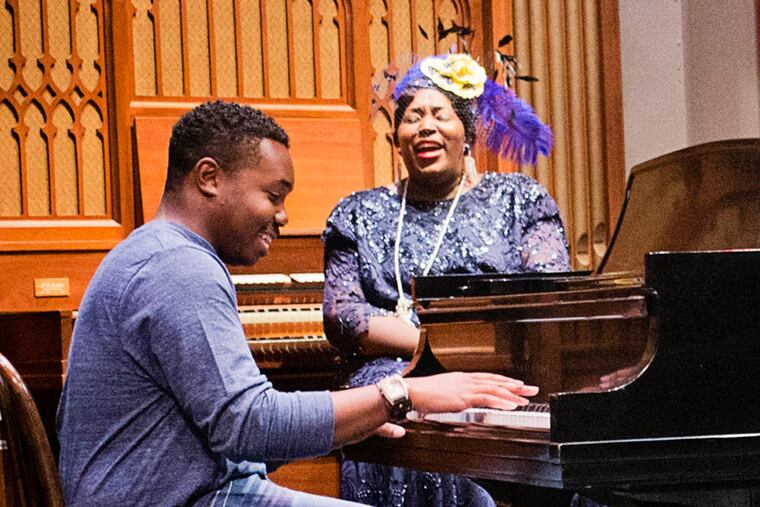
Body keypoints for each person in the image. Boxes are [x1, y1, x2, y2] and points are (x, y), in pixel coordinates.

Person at [56, 99, 540, 507]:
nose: (284, 216)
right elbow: (249, 425)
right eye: (273, 195)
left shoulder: (162, 253)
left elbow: (227, 434)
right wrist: (401, 395)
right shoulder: (178, 268)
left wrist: (352, 422)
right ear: (209, 177)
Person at [322, 53, 571, 506]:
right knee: (411, 406)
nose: (425, 127)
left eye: (440, 114)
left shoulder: (519, 199)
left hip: (500, 367)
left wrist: (468, 357)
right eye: (412, 117)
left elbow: (546, 294)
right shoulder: (359, 211)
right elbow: (343, 315)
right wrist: (433, 352)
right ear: (396, 139)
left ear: (468, 133)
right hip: (393, 374)